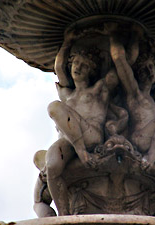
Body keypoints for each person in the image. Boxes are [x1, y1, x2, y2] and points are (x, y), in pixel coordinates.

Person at [108, 24, 155, 217]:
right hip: (142, 142)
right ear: (138, 73)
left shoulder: (154, 100)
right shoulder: (134, 94)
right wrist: (121, 37)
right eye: (145, 69)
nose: (150, 73)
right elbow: (119, 59)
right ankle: (150, 156)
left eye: (152, 70)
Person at [46, 31, 116, 215]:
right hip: (69, 140)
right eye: (76, 63)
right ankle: (64, 215)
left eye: (84, 66)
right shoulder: (67, 94)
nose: (77, 67)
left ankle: (82, 153)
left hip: (91, 136)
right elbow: (59, 67)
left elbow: (118, 70)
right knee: (52, 166)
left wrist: (113, 39)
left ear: (91, 70)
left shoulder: (99, 90)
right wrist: (67, 42)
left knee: (54, 107)